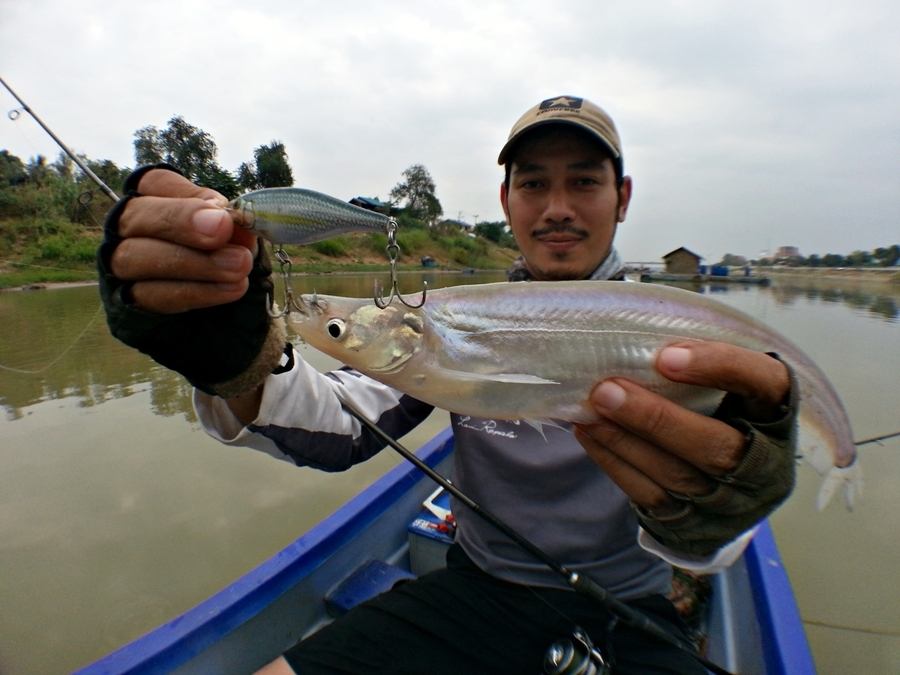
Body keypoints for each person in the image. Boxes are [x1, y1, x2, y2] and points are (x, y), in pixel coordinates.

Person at [98, 95, 797, 674]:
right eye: (533, 183)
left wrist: (723, 506)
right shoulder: (451, 324)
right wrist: (232, 358)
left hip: (630, 606)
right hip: (477, 588)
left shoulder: (676, 334)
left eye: (583, 180)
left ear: (623, 197)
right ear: (506, 199)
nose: (556, 206)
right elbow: (343, 421)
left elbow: (715, 516)